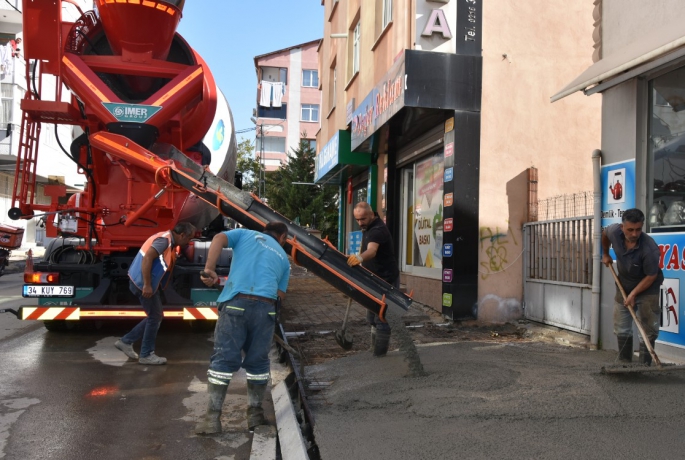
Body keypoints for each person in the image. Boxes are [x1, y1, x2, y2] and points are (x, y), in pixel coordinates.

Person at [195, 222, 290, 435]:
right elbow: (280, 296)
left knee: (223, 360)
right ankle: (255, 416)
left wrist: (209, 269)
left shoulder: (247, 234)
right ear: (282, 237)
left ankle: (212, 420)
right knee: (258, 363)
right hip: (266, 309)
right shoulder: (283, 258)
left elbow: (219, 237)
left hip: (236, 303)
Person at [114, 222, 195, 365]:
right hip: (142, 284)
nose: (188, 242)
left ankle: (126, 341)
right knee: (155, 317)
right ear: (182, 235)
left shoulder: (167, 240)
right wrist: (147, 285)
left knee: (155, 316)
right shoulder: (164, 241)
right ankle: (145, 354)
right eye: (189, 238)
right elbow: (147, 258)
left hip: (142, 282)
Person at [601, 208, 664, 365]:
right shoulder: (614, 231)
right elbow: (605, 234)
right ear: (622, 227)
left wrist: (634, 294)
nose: (634, 234)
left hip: (648, 287)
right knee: (621, 324)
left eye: (638, 229)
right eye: (630, 229)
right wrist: (605, 254)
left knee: (648, 327)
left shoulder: (650, 248)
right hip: (624, 283)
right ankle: (625, 362)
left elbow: (651, 276)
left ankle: (644, 365)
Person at [347, 202, 399, 357]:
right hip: (373, 277)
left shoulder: (377, 230)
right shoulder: (368, 228)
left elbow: (372, 251)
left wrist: (359, 258)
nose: (360, 223)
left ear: (372, 214)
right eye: (357, 219)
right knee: (371, 314)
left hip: (386, 278)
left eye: (362, 219)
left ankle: (380, 353)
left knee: (383, 315)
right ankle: (373, 348)